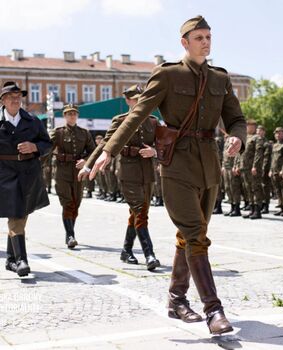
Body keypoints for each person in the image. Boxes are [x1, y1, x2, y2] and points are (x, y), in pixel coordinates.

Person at [89, 16, 246, 335]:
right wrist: (109, 150)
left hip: (209, 166)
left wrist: (237, 137)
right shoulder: (168, 74)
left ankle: (176, 300)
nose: (205, 41)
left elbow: (236, 118)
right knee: (196, 234)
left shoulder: (220, 78)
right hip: (176, 165)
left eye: (208, 36)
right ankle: (214, 310)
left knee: (189, 235)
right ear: (184, 42)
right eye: (199, 37)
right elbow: (138, 114)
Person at [79, 85, 161, 271]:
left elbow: (161, 145)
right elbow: (105, 145)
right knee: (140, 211)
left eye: (142, 98)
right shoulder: (120, 121)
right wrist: (88, 164)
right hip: (128, 171)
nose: (139, 101)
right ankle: (149, 254)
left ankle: (126, 250)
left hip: (147, 172)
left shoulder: (152, 121)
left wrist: (154, 151)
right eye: (135, 99)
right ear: (128, 101)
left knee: (137, 212)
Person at [0, 81, 51, 277]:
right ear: (3, 100)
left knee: (21, 214)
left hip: (28, 173)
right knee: (16, 216)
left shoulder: (33, 120)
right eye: (11, 97)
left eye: (18, 97)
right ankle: (22, 260)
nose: (15, 100)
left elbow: (47, 143)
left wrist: (34, 147)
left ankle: (11, 260)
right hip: (5, 174)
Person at [50, 104, 95, 248]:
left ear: (77, 115)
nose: (72, 116)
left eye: (74, 113)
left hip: (78, 172)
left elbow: (93, 152)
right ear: (64, 116)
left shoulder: (85, 133)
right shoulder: (58, 132)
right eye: (69, 114)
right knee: (67, 202)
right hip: (62, 172)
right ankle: (70, 235)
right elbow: (46, 149)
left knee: (76, 203)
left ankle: (69, 233)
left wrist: (86, 161)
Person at [269, 127, 283, 216]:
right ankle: (281, 207)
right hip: (274, 171)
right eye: (276, 133)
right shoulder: (275, 145)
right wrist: (270, 169)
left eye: (280, 133)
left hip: (282, 170)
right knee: (278, 190)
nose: (277, 135)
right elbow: (273, 159)